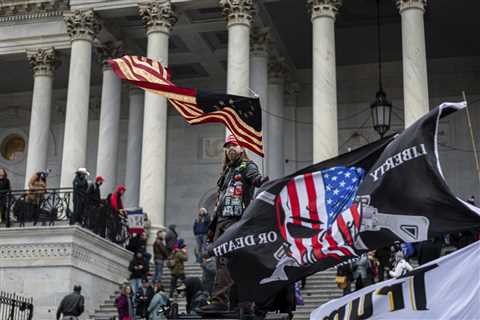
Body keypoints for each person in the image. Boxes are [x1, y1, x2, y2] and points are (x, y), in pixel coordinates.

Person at [201, 134, 268, 313]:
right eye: (228, 145)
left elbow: (255, 177)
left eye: (235, 145)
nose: (231, 148)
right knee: (229, 263)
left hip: (236, 221)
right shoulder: (227, 171)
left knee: (225, 260)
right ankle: (240, 303)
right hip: (222, 221)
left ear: (242, 148)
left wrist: (261, 181)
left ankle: (220, 300)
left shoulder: (247, 166)